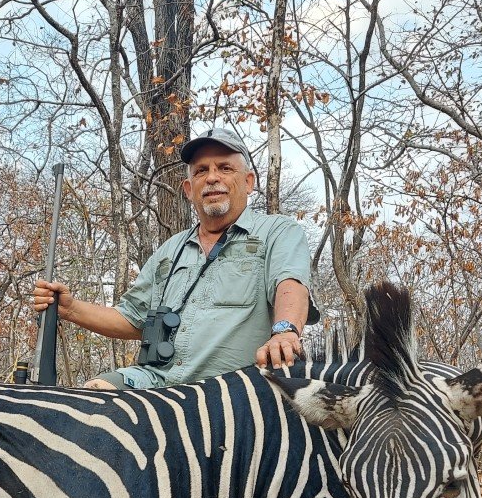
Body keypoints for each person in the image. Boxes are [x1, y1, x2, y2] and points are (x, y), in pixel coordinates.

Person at [33, 127, 318, 389]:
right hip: (157, 380)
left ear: (248, 182)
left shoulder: (277, 231)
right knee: (93, 395)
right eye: (201, 171)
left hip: (232, 388)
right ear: (188, 188)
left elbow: (289, 283)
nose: (212, 177)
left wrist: (284, 332)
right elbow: (132, 319)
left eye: (225, 168)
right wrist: (69, 308)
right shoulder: (170, 250)